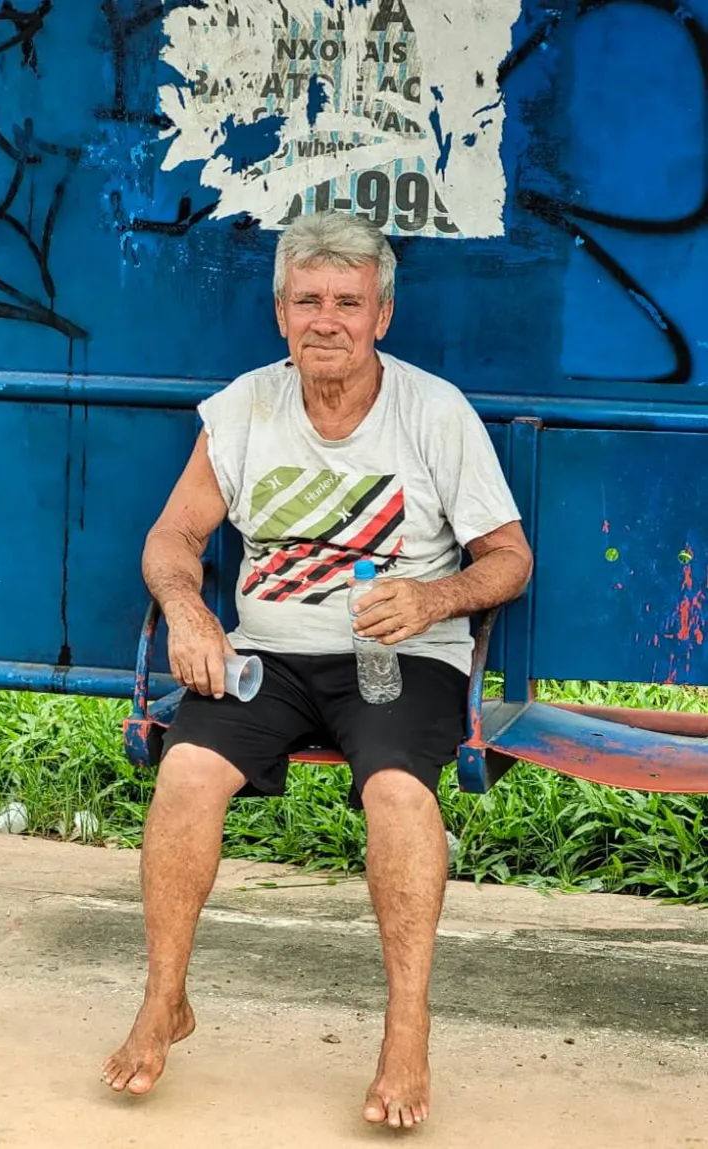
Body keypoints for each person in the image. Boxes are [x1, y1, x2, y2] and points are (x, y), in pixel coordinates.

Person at [102, 211, 533, 1129]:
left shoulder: (433, 410)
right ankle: (163, 999)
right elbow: (173, 536)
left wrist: (432, 599)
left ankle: (406, 1026)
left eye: (348, 301)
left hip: (394, 655)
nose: (326, 319)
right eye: (308, 300)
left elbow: (509, 558)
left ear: (382, 314)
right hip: (268, 657)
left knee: (399, 795)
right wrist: (188, 611)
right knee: (184, 772)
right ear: (280, 312)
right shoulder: (248, 406)